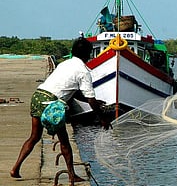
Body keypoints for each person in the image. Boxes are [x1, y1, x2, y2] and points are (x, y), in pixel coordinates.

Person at [10, 37, 106, 185]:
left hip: (37, 96)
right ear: (88, 54)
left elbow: (74, 92)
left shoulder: (64, 64)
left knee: (34, 137)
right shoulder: (83, 72)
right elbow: (90, 98)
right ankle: (72, 175)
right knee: (64, 141)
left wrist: (91, 101)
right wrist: (102, 118)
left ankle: (15, 168)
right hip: (51, 104)